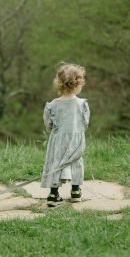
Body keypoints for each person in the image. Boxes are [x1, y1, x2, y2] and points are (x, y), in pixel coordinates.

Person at [41, 63, 90, 207]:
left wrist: (56, 132)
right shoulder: (82, 104)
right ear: (79, 83)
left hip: (58, 140)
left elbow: (48, 124)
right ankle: (75, 191)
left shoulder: (53, 105)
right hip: (76, 140)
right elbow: (85, 123)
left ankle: (53, 194)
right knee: (76, 162)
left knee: (56, 164)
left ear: (59, 83)